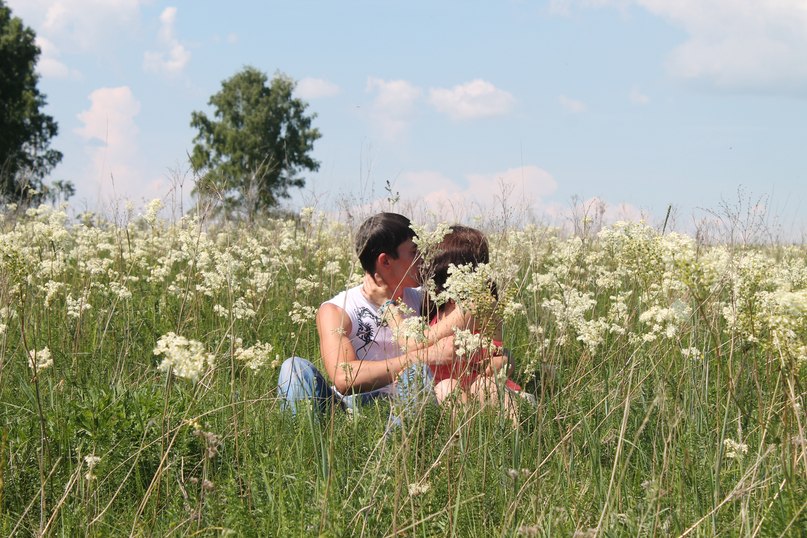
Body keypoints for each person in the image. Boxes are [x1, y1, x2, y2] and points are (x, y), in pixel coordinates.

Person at [277, 212, 462, 415]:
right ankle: (309, 442)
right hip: (350, 409)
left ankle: (401, 444)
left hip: (409, 403)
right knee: (293, 368)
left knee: (416, 375)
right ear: (385, 261)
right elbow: (343, 378)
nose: (423, 260)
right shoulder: (338, 309)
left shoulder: (425, 300)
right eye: (414, 252)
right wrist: (423, 357)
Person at [389, 225, 521, 411]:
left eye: (428, 258)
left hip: (482, 389)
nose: (422, 264)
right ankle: (459, 438)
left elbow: (415, 343)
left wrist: (391, 313)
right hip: (452, 390)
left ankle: (506, 436)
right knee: (446, 387)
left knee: (475, 387)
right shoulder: (437, 303)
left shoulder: (476, 304)